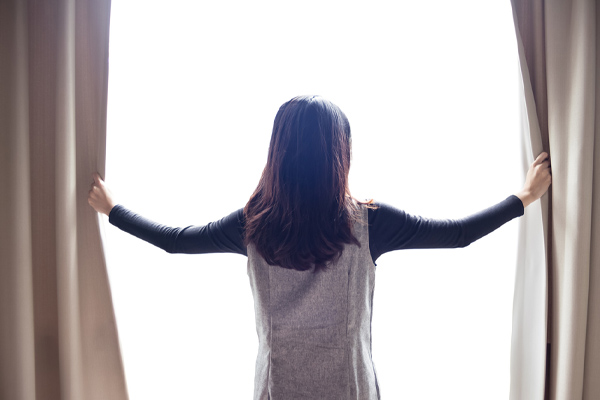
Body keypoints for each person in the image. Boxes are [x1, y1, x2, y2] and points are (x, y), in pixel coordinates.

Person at [88, 95, 551, 400]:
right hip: (351, 389)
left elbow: (175, 242)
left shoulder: (252, 225)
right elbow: (457, 234)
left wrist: (114, 210)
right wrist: (524, 198)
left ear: (279, 152)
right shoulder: (370, 223)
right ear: (341, 153)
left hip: (276, 390)